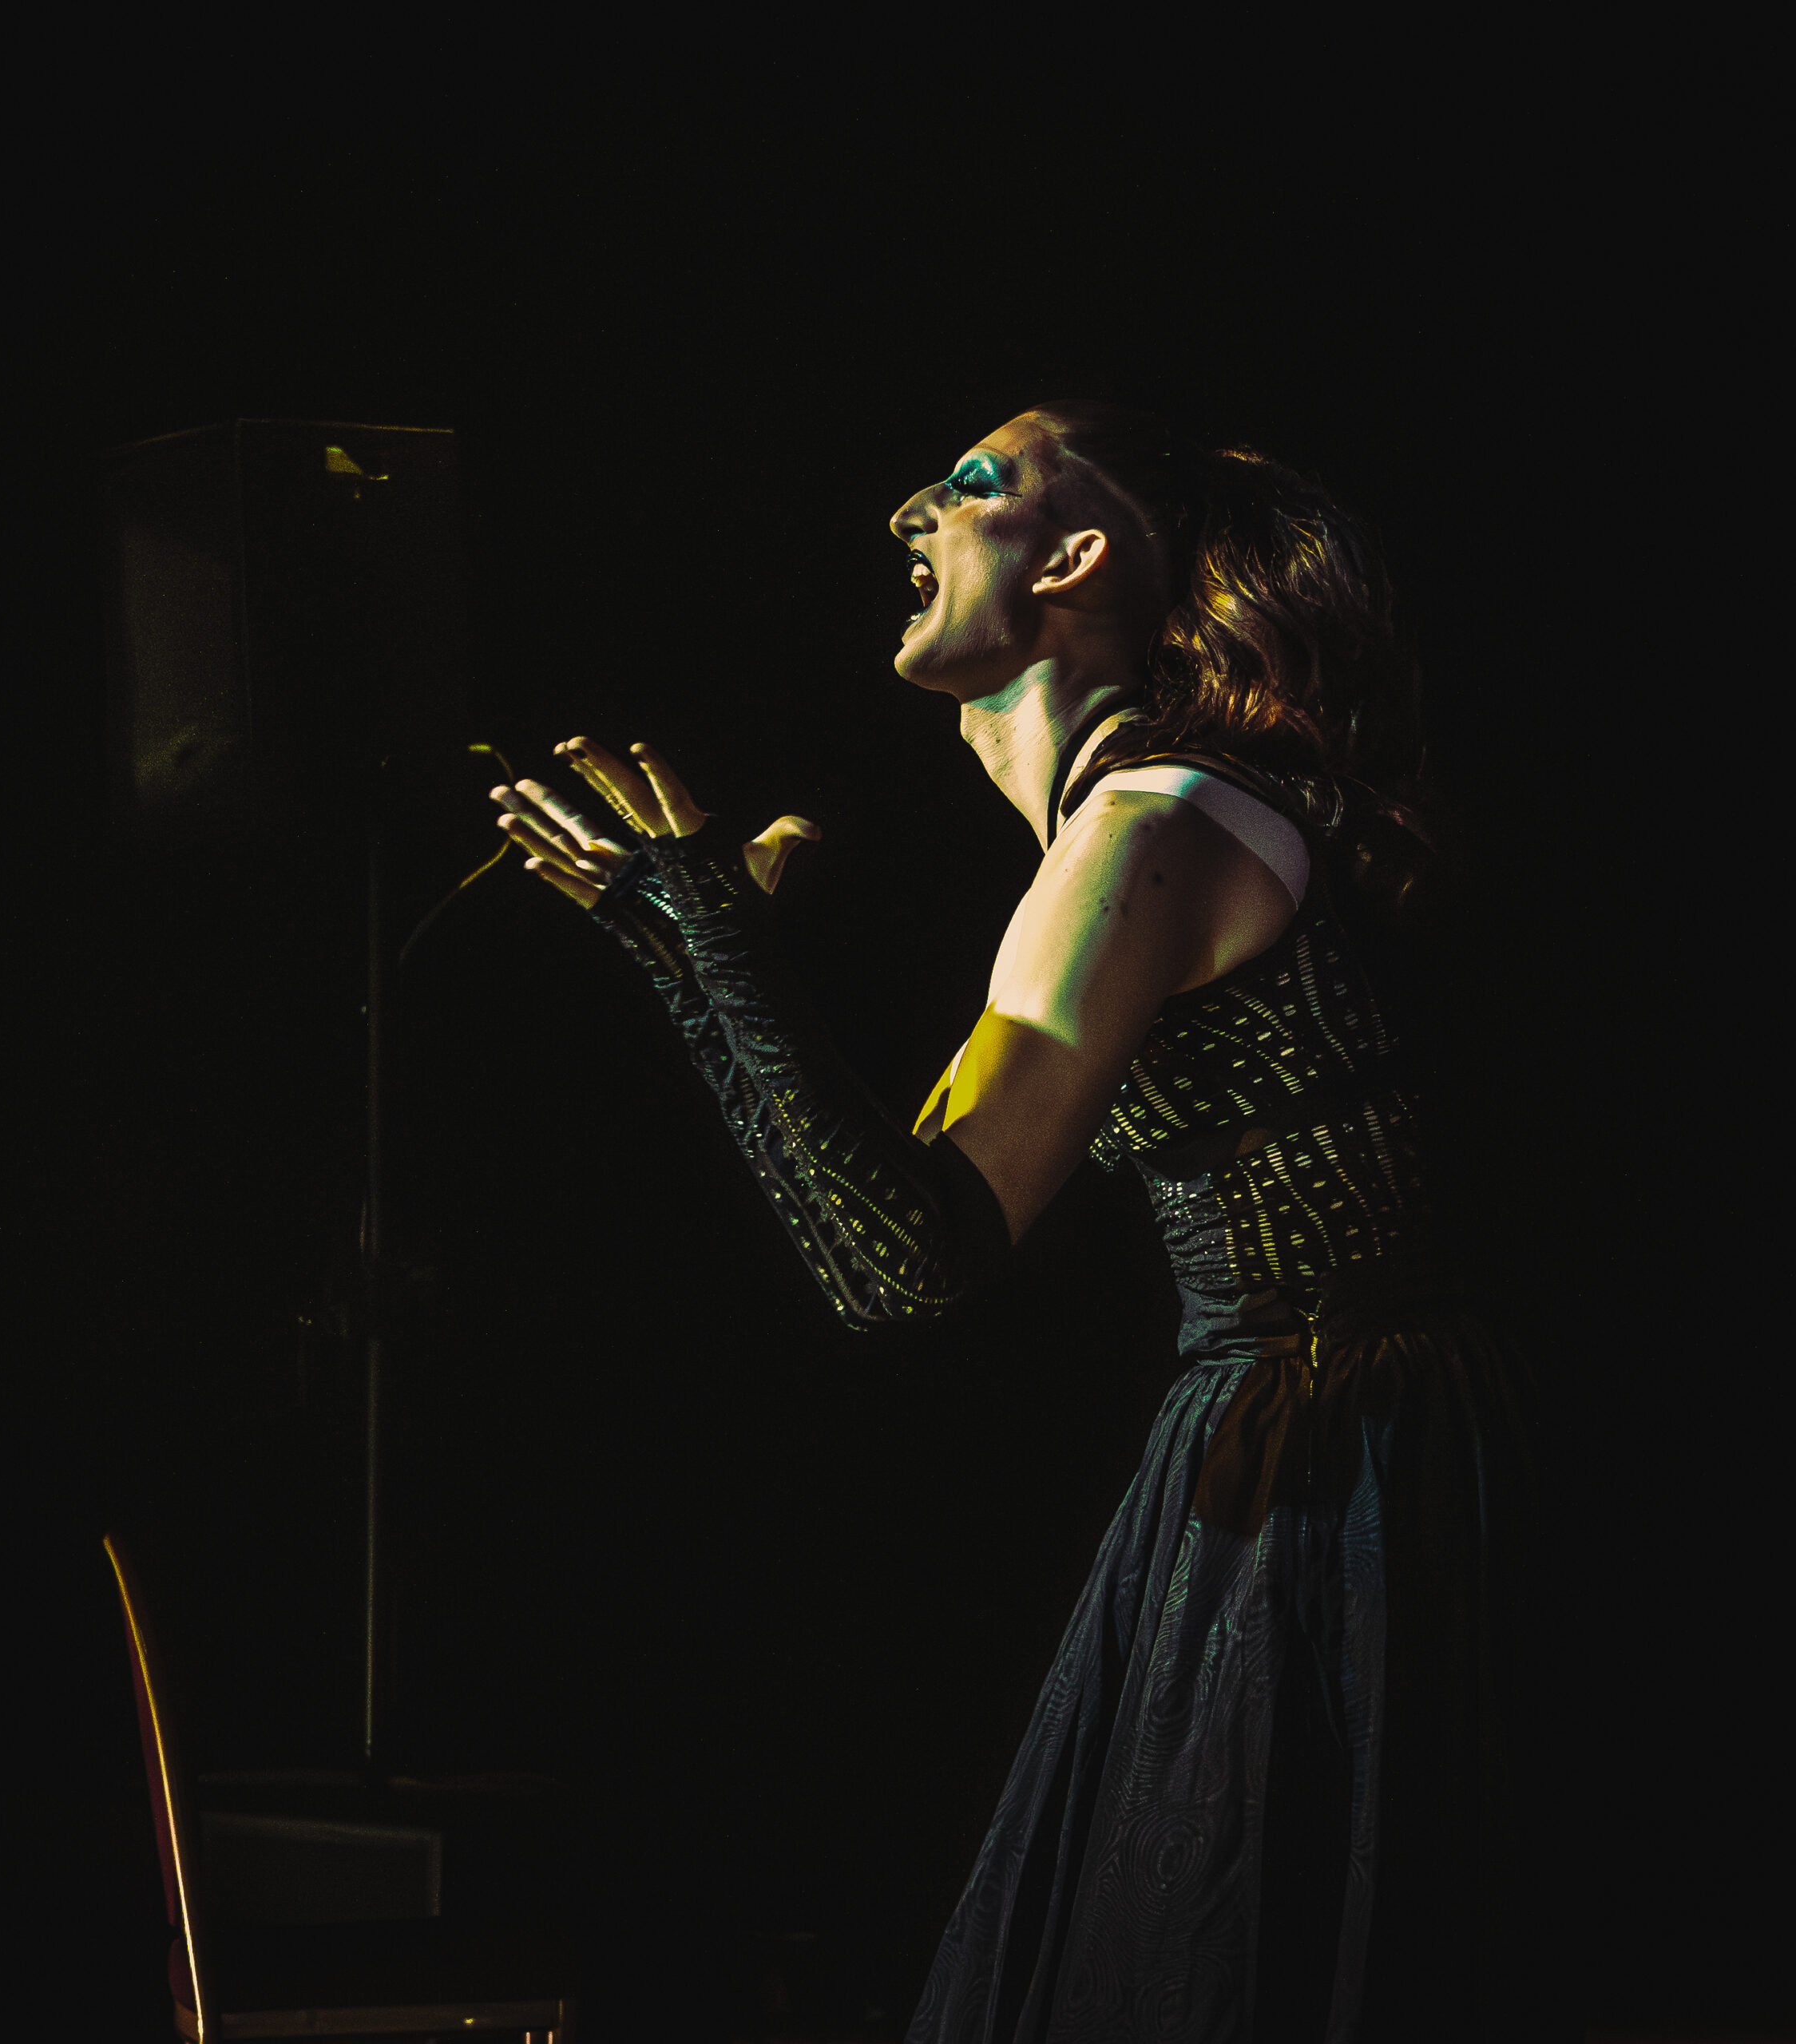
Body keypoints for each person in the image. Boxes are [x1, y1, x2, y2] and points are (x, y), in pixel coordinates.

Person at [486, 402, 1532, 2042]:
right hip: (1309, 1428)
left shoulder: (1149, 831)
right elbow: (880, 1223)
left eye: (968, 488)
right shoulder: (1135, 822)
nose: (911, 515)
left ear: (1074, 557)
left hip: (1336, 1458)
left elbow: (904, 1264)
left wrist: (712, 945)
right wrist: (693, 957)